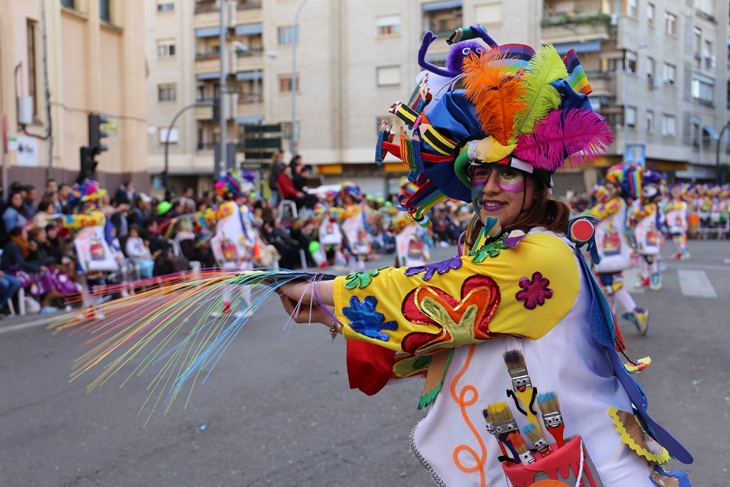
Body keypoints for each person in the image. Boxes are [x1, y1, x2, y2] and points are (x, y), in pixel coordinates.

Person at [273, 39, 691, 486]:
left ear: (539, 184)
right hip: (544, 468)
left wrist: (326, 290)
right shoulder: (490, 246)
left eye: (507, 172)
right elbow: (448, 331)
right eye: (479, 172)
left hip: (598, 470)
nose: (489, 187)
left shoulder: (543, 254)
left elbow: (439, 291)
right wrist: (332, 315)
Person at [586, 164, 649, 335]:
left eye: (611, 184)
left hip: (612, 251)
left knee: (612, 284)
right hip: (608, 250)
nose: (607, 188)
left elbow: (595, 213)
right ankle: (610, 321)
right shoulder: (616, 202)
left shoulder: (616, 203)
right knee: (609, 286)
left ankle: (636, 311)